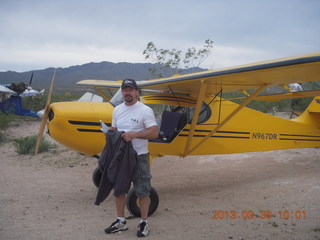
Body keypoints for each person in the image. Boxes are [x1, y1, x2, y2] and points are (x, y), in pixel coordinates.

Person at [104, 78, 158, 237]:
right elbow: (114, 128)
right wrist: (110, 134)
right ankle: (120, 221)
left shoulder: (145, 110)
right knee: (119, 190)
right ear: (122, 92)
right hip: (121, 156)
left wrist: (134, 135)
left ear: (136, 92)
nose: (127, 93)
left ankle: (144, 223)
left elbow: (154, 132)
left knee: (143, 191)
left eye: (130, 89)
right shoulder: (117, 110)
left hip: (140, 156)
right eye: (124, 90)